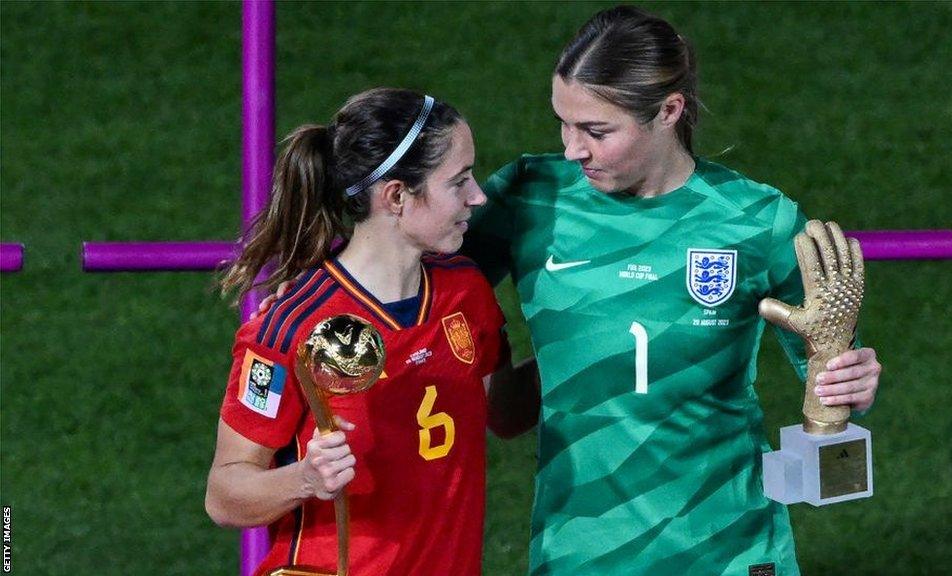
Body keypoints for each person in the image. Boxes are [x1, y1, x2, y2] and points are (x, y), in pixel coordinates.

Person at [459, 6, 883, 575]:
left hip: (729, 549)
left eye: (596, 131)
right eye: (564, 122)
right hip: (580, 553)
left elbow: (830, 386)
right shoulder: (530, 196)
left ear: (668, 111)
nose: (572, 150)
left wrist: (848, 380)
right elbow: (426, 296)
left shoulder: (758, 221)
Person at [205, 88, 535, 576]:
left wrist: (588, 345)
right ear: (397, 196)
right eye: (459, 182)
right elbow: (225, 496)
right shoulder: (291, 327)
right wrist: (305, 479)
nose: (477, 197)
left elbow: (504, 413)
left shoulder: (465, 291)